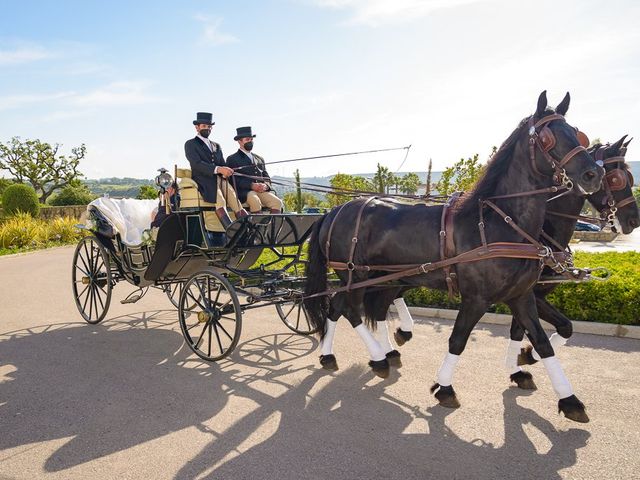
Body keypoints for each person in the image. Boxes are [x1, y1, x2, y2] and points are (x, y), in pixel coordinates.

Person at [184, 112, 247, 228]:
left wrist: (227, 171)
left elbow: (222, 163)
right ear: (197, 127)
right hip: (203, 179)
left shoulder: (216, 145)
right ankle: (231, 231)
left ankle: (247, 228)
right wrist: (219, 169)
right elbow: (197, 164)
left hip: (219, 178)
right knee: (221, 201)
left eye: (209, 127)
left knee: (235, 201)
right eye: (204, 126)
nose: (207, 129)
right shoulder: (190, 144)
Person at [226, 126, 283, 213]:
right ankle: (255, 226)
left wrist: (266, 186)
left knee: (277, 202)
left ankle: (271, 225)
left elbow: (267, 178)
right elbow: (234, 180)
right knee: (255, 201)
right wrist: (251, 185)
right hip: (245, 192)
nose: (250, 142)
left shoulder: (259, 159)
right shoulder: (232, 158)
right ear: (240, 141)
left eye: (251, 139)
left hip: (261, 191)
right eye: (247, 139)